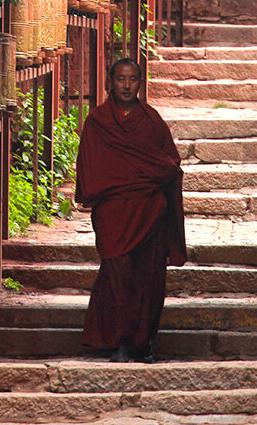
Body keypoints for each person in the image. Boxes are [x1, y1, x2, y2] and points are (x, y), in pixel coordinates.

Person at [75, 58, 186, 363]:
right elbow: (89, 168)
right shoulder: (98, 121)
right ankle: (117, 342)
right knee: (117, 275)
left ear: (140, 83)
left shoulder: (151, 121)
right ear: (110, 82)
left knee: (148, 278)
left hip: (149, 213)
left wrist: (153, 179)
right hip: (114, 213)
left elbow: (170, 164)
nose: (126, 86)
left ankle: (143, 342)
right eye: (120, 79)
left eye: (133, 79)